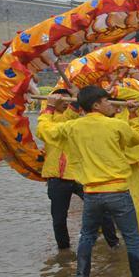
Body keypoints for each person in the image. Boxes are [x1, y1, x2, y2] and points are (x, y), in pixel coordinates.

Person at [40, 87, 139, 277]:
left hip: (92, 193)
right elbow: (137, 138)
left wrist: (48, 109)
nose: (111, 104)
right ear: (96, 104)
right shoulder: (116, 125)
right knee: (131, 236)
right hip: (117, 192)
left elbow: (44, 131)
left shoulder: (73, 127)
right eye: (107, 101)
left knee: (87, 236)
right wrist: (134, 115)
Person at [36, 88, 118, 251]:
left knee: (103, 211)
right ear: (53, 102)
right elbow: (45, 130)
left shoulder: (75, 121)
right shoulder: (49, 120)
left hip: (79, 175)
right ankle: (64, 251)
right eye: (63, 100)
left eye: (69, 100)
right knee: (59, 218)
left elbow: (70, 119)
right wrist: (51, 106)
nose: (67, 103)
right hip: (57, 178)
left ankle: (114, 244)